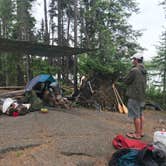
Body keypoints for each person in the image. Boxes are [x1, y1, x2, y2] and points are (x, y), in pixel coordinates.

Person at [125, 53, 147, 139]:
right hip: (142, 96)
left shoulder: (134, 70)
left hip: (134, 96)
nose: (132, 61)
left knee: (135, 115)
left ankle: (137, 134)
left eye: (133, 59)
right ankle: (140, 132)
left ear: (136, 60)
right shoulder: (144, 70)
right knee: (140, 114)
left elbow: (126, 81)